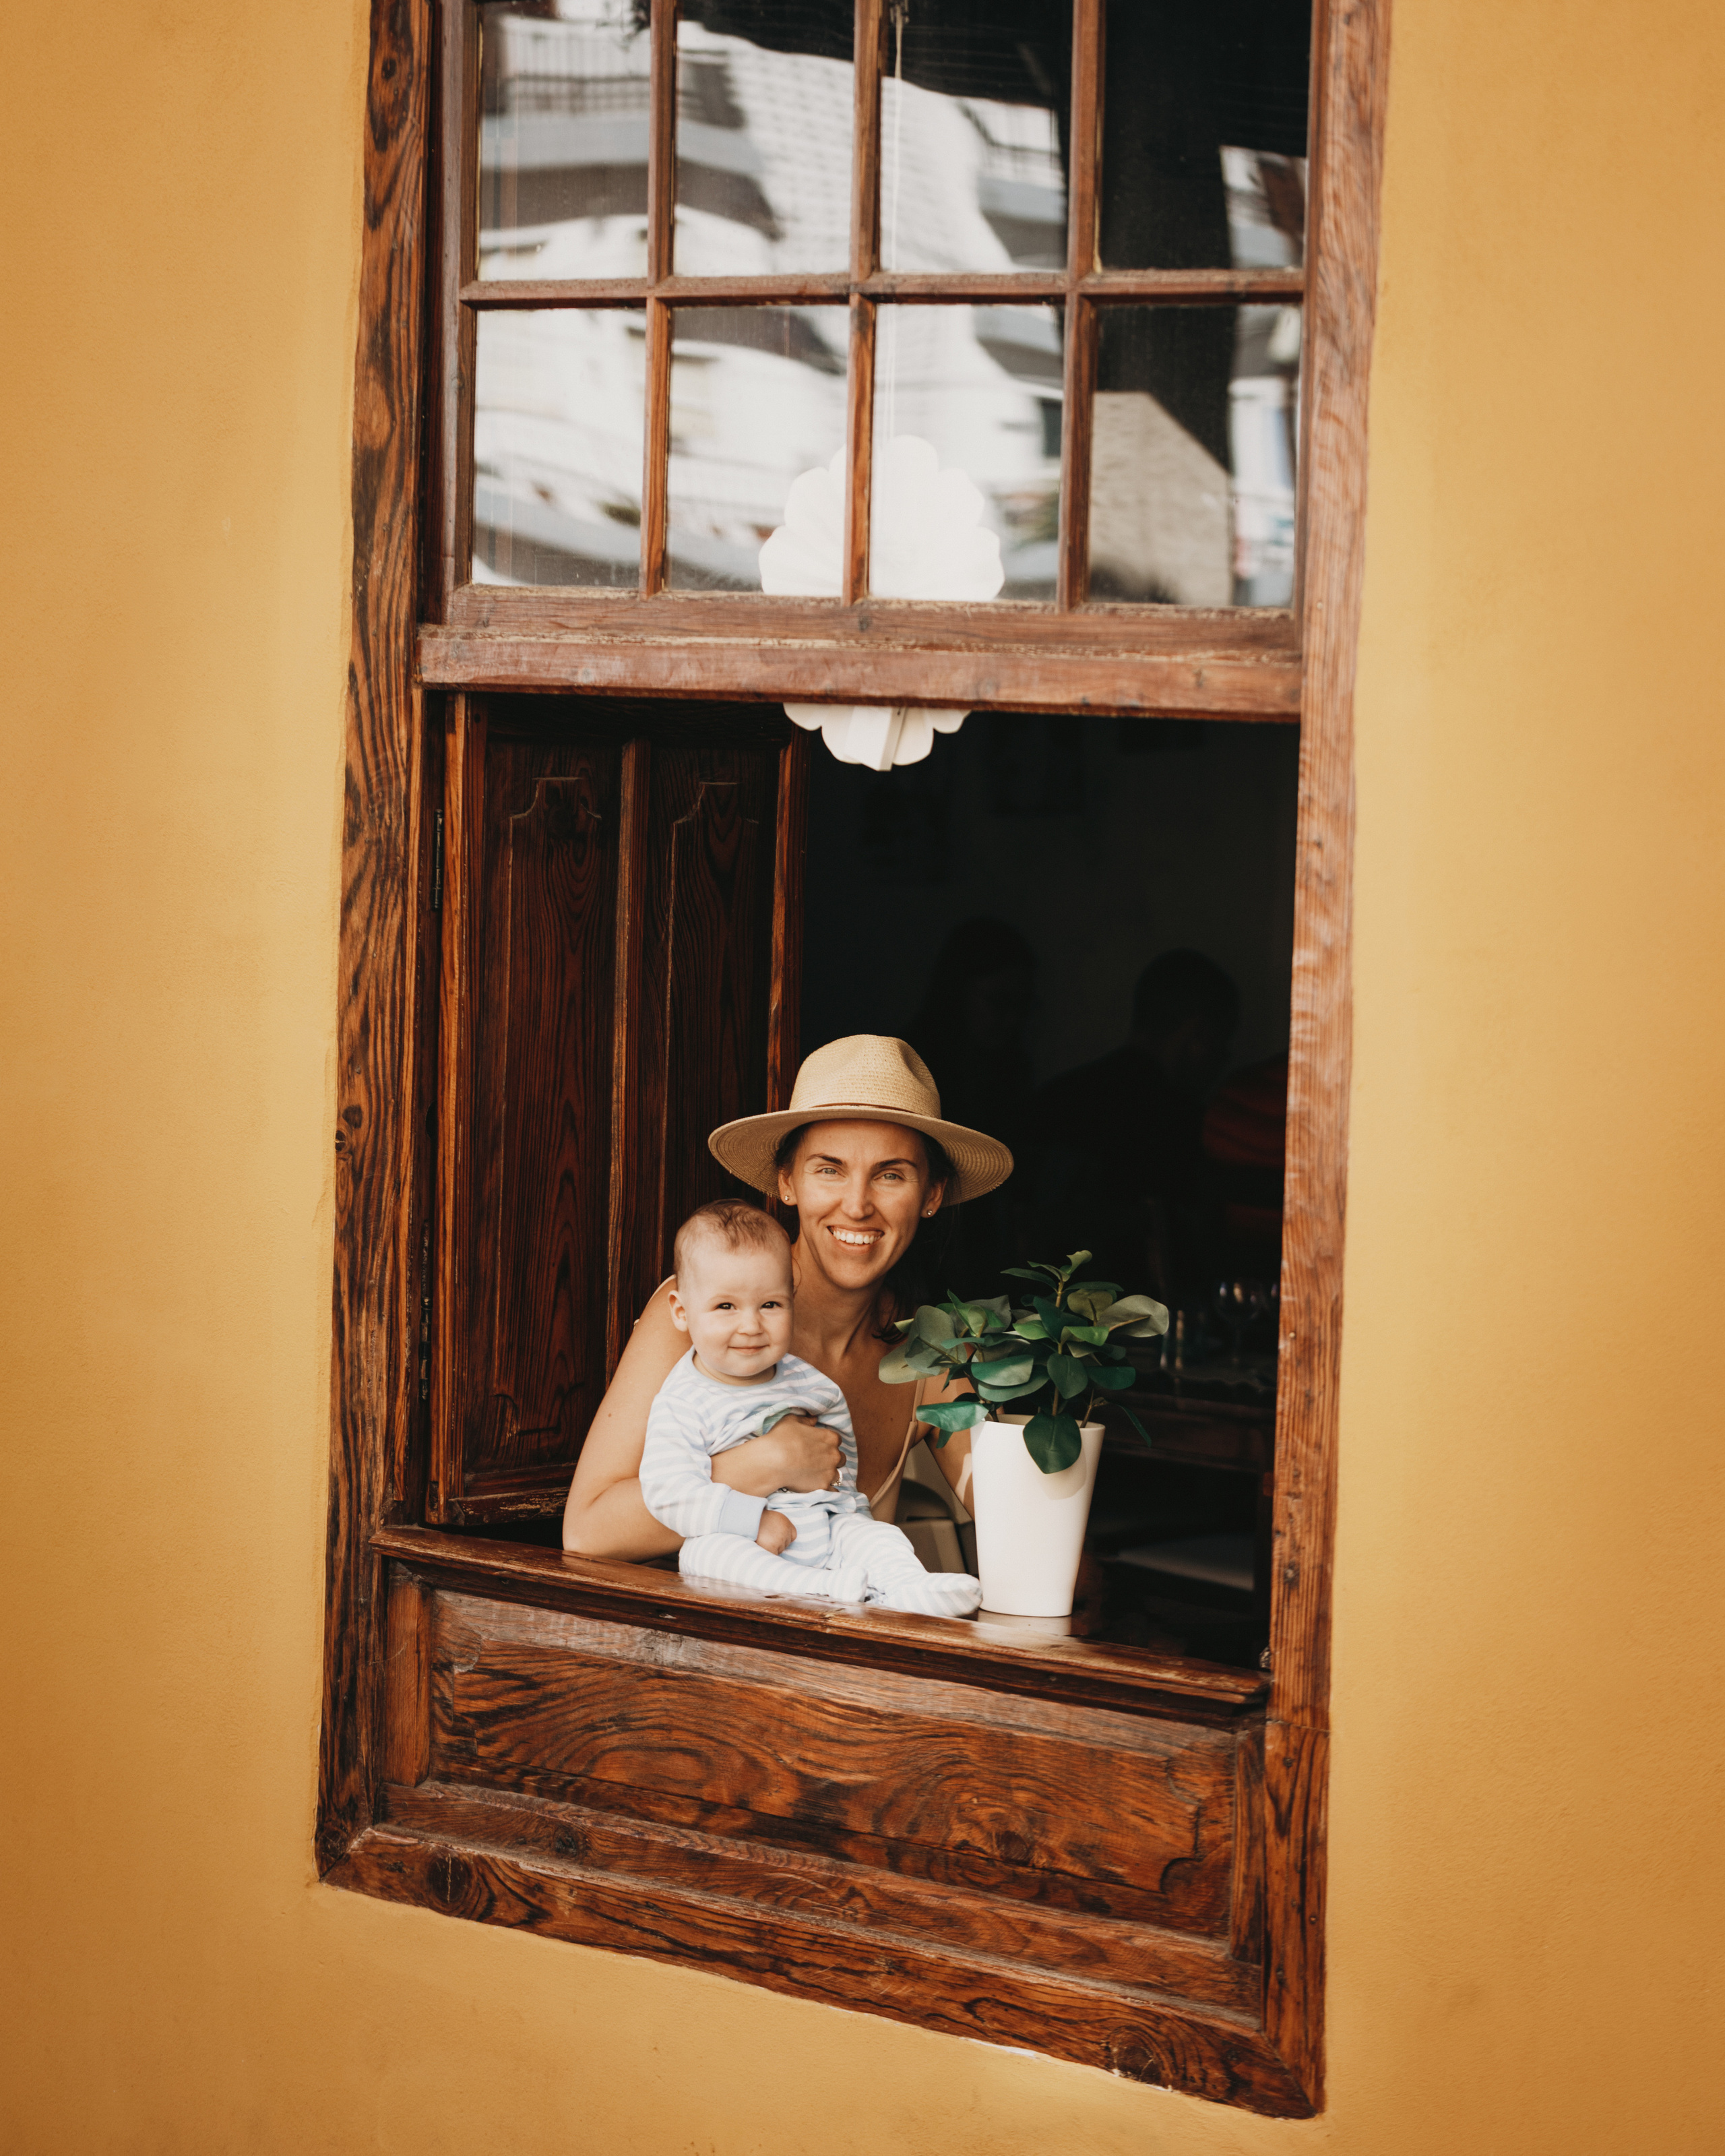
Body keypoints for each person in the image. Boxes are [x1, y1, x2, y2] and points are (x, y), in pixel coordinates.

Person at [561, 1034, 1015, 1562]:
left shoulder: (935, 1357)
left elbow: (1025, 1531)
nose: (857, 1204)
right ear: (787, 1181)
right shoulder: (700, 1314)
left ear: (932, 1195)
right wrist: (764, 1463)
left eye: (891, 1175)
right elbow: (588, 1530)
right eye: (829, 1168)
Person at [641, 1198, 982, 1615]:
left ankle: (908, 1585)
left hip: (823, 1524)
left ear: (791, 1301)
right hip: (749, 1543)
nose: (750, 1325)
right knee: (706, 1557)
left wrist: (850, 1521)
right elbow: (668, 1492)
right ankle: (816, 1588)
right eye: (725, 1306)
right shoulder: (683, 1400)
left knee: (879, 1536)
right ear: (681, 1311)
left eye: (770, 1305)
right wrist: (751, 1520)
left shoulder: (812, 1384)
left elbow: (841, 1466)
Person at [1026, 948, 1240, 1303]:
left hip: (1039, 1317)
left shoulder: (1056, 1098)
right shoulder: (1183, 1123)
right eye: (1224, 1038)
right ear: (1198, 1035)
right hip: (1150, 1325)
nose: (1226, 1056)